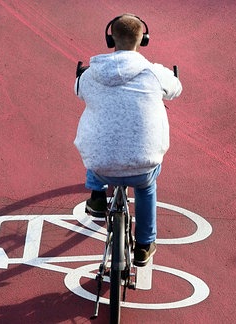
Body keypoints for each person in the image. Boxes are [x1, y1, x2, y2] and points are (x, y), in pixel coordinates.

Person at [74, 14, 182, 266]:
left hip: (101, 167)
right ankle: (144, 245)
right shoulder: (154, 73)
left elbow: (78, 90)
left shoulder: (91, 75)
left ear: (110, 38)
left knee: (96, 140)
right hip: (142, 165)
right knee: (146, 187)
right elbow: (176, 89)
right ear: (142, 40)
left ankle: (97, 196)